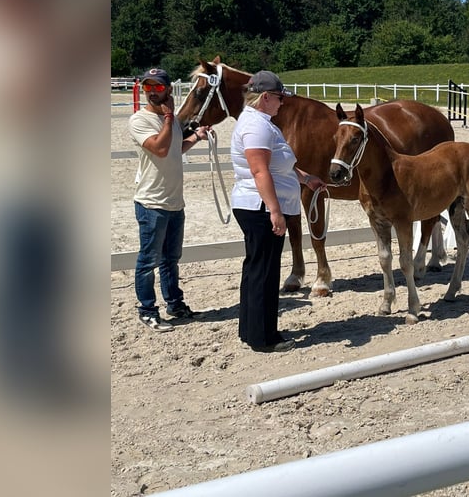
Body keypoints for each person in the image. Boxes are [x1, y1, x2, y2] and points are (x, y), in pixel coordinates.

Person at [230, 71, 327, 352]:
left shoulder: (261, 122)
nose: (283, 103)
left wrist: (306, 178)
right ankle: (264, 338)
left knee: (256, 268)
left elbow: (278, 163)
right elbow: (260, 171)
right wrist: (275, 211)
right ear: (266, 97)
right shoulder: (257, 126)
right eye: (280, 98)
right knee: (265, 272)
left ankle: (250, 330)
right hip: (260, 207)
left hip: (256, 205)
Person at [128, 68, 211, 332]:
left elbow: (175, 147)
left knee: (170, 259)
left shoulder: (172, 122)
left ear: (167, 90)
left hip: (174, 200)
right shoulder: (140, 120)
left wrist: (195, 137)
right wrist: (167, 118)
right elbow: (161, 149)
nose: (153, 92)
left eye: (158, 87)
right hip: (152, 202)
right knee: (148, 260)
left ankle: (175, 303)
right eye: (148, 87)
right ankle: (147, 309)